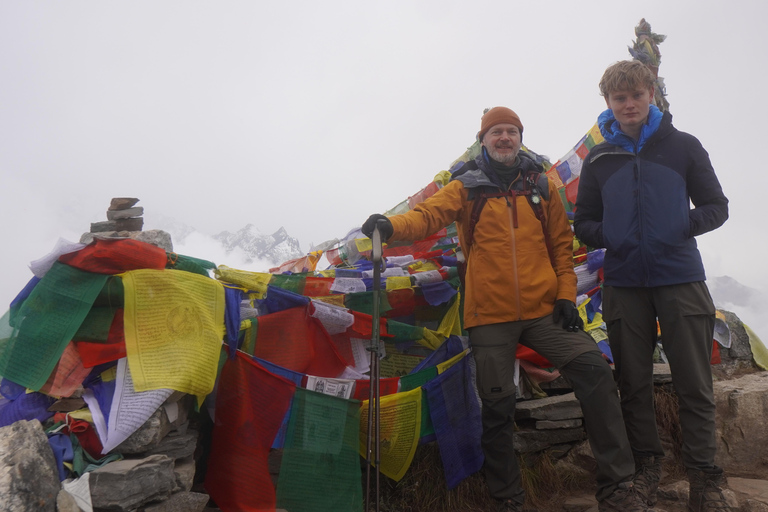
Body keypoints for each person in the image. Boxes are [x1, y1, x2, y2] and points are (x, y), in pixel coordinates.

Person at [363, 107, 655, 512]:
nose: (504, 138)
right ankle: (508, 499)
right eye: (496, 132)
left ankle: (617, 487)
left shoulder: (542, 185)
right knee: (497, 404)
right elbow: (428, 216)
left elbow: (561, 247)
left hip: (544, 312)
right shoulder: (465, 187)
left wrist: (567, 297)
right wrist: (391, 227)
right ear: (483, 139)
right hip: (489, 317)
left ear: (520, 137)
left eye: (511, 131)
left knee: (594, 371)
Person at [574, 60, 730, 511]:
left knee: (694, 383)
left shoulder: (683, 146)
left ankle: (706, 480)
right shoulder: (599, 158)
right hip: (624, 283)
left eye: (636, 95)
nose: (629, 104)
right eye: (619, 98)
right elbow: (584, 220)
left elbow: (717, 207)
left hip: (681, 277)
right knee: (634, 384)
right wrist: (614, 238)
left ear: (651, 96)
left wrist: (679, 226)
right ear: (608, 103)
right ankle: (645, 473)